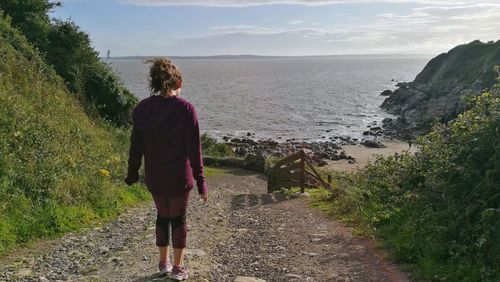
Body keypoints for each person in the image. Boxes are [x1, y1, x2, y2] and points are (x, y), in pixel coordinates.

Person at [125, 58, 208, 281]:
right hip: (180, 177)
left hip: (154, 176)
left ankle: (164, 262)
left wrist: (132, 174)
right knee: (179, 219)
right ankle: (178, 268)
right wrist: (201, 182)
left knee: (162, 216)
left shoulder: (142, 109)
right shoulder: (186, 109)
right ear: (177, 82)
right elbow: (194, 150)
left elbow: (136, 147)